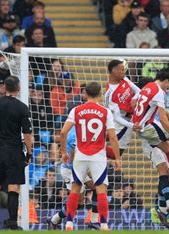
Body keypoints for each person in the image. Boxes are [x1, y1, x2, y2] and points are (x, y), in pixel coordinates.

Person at [60, 81, 121, 231]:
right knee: (101, 190)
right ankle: (104, 224)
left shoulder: (76, 110)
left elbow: (62, 132)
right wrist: (118, 158)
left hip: (80, 155)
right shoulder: (106, 112)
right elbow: (113, 137)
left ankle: (69, 223)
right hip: (98, 156)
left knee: (75, 189)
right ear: (100, 94)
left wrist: (63, 152)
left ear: (85, 94)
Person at [0, 76, 33, 230]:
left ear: (4, 87)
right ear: (18, 88)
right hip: (14, 151)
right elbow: (27, 135)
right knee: (13, 188)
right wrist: (29, 153)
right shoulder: (22, 107)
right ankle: (12, 224)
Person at [104, 59, 141, 155]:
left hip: (129, 119)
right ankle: (90, 149)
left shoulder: (124, 79)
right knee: (115, 153)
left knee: (117, 153)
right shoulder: (111, 94)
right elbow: (116, 117)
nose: (124, 71)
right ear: (114, 70)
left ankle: (92, 147)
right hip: (119, 122)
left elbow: (138, 91)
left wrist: (134, 99)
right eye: (121, 69)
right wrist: (132, 126)